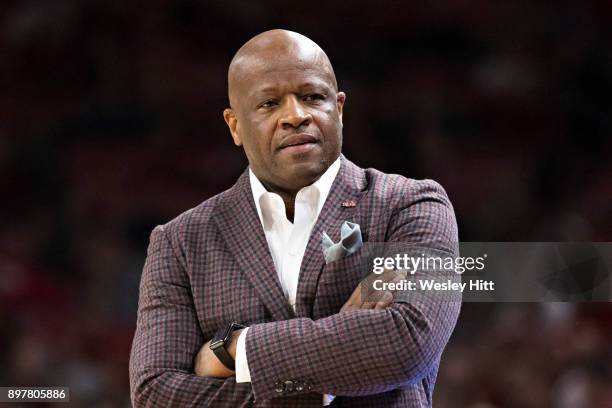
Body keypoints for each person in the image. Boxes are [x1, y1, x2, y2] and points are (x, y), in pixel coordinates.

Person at [129, 29, 460, 407]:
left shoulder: (410, 206)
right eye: (269, 104)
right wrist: (319, 385)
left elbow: (407, 340)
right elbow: (156, 394)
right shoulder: (181, 242)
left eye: (312, 97)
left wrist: (235, 349)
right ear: (234, 125)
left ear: (338, 108)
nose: (296, 115)